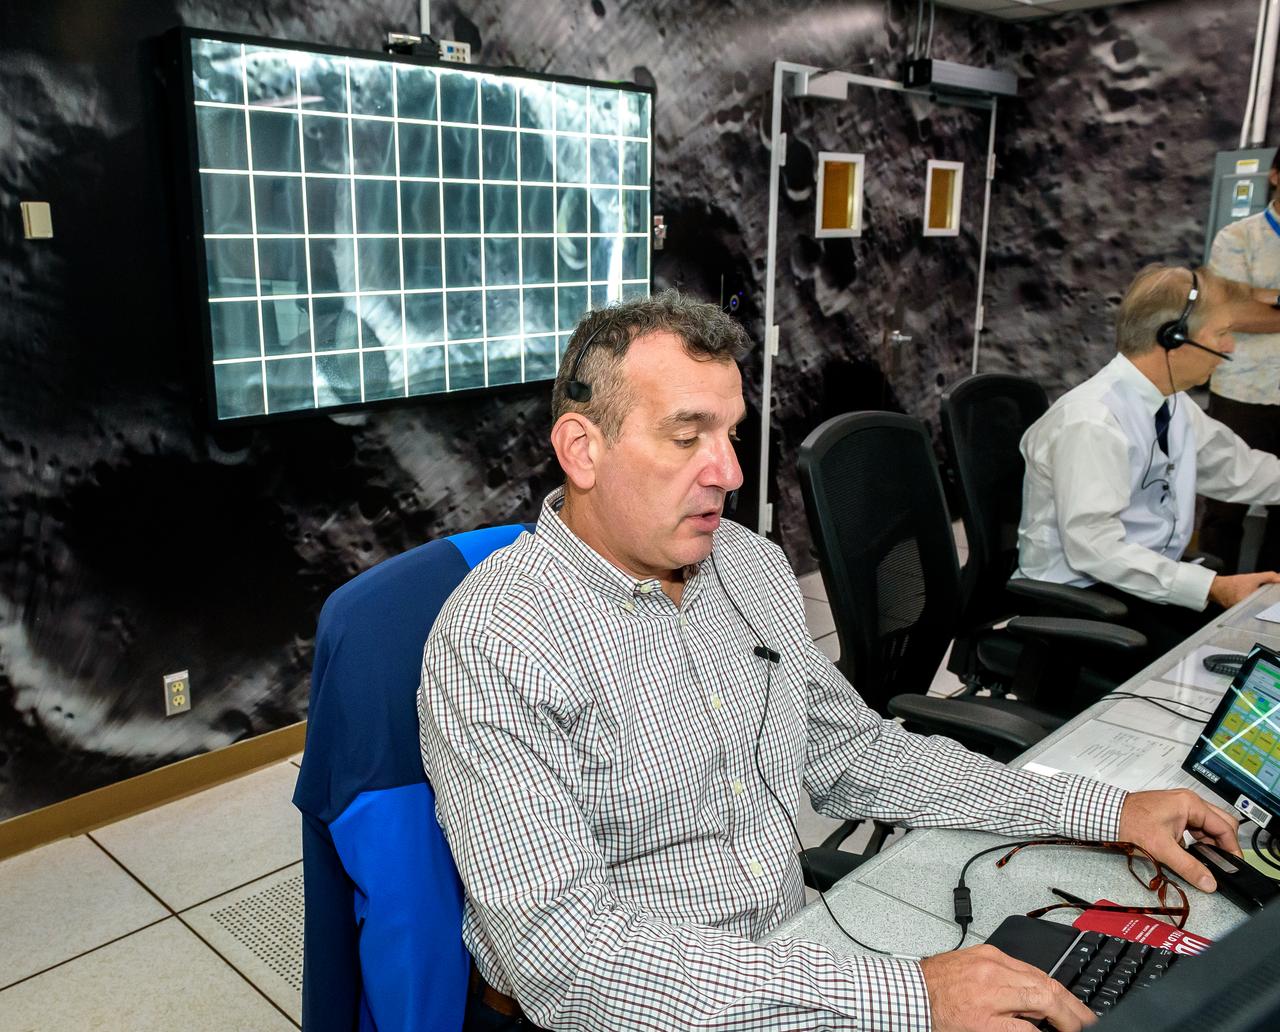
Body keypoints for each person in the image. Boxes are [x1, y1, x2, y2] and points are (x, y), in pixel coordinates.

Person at [419, 290, 1240, 1032]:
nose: (730, 474)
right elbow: (569, 961)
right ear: (582, 449)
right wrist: (911, 995)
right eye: (686, 436)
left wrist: (1104, 811)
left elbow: (855, 753)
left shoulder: (744, 565)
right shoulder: (496, 642)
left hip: (793, 951)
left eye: (731, 434)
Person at [1016, 265, 1280, 657]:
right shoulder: (1094, 421)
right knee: (1218, 669)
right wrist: (1211, 587)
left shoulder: (1172, 404)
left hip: (1138, 583)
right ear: (1172, 339)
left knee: (1250, 648)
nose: (1230, 347)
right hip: (1081, 600)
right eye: (1222, 334)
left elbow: (1241, 471)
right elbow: (1095, 549)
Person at [1203, 151, 1280, 573]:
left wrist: (1263, 297)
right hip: (1242, 394)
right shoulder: (1237, 237)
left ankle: (1268, 607)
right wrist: (1246, 302)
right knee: (1224, 506)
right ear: (1274, 176)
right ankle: (1208, 603)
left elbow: (1251, 306)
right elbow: (1233, 312)